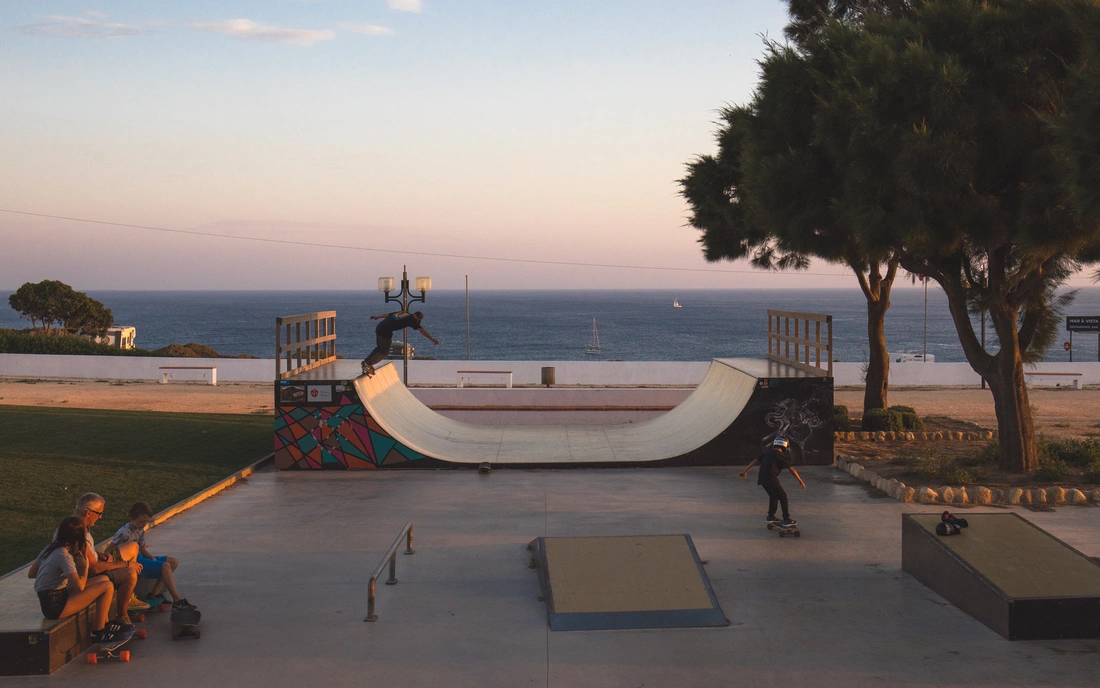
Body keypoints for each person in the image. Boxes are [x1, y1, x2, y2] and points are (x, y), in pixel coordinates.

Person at [29, 493, 148, 627]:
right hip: (61, 598)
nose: (100, 517)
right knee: (126, 575)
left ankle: (111, 619)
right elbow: (90, 572)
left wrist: (96, 554)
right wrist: (125, 564)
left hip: (57, 592)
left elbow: (32, 573)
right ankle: (109, 624)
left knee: (132, 548)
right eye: (99, 513)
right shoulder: (72, 542)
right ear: (88, 513)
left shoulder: (61, 537)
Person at [30, 516, 122, 643]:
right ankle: (99, 632)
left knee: (104, 579)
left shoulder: (49, 548)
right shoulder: (64, 556)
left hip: (51, 596)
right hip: (55, 606)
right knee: (107, 587)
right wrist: (83, 567)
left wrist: (54, 575)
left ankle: (106, 624)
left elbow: (32, 573)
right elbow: (80, 587)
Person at [109, 501, 193, 610]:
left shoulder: (140, 530)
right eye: (141, 521)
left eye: (146, 521)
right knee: (165, 566)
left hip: (140, 557)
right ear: (132, 517)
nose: (143, 524)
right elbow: (109, 550)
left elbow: (142, 548)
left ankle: (153, 594)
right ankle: (177, 600)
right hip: (132, 562)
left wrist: (152, 558)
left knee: (173, 562)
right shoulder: (124, 532)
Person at [738, 437, 806, 526]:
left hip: (762, 478)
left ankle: (771, 516)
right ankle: (786, 519)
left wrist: (745, 471)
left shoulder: (767, 453)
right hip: (770, 478)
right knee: (783, 497)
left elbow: (755, 461)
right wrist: (800, 480)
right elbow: (791, 469)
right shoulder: (781, 455)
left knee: (773, 495)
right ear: (785, 446)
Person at [360, 310, 439, 376]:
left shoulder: (404, 313)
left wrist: (377, 316)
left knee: (379, 348)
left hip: (379, 327)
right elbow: (422, 330)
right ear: (418, 318)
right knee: (385, 352)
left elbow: (387, 315)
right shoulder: (412, 320)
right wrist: (431, 339)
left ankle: (366, 362)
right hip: (385, 331)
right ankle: (368, 365)